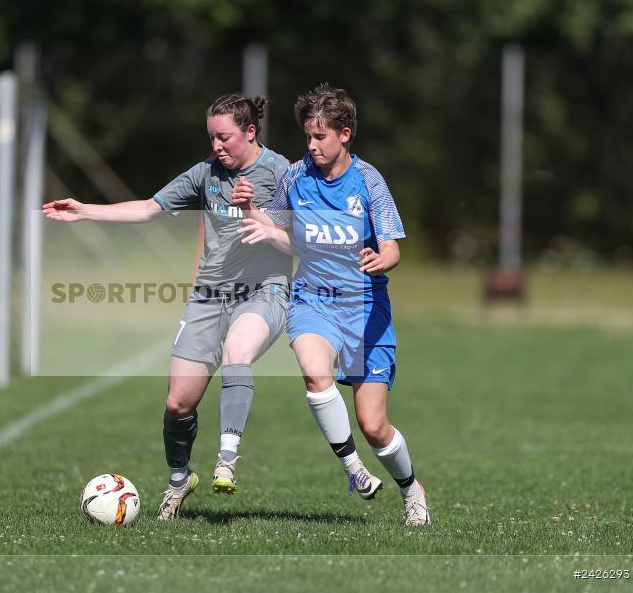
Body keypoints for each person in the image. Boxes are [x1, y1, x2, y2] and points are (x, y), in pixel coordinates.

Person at [44, 94, 330, 520]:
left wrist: (257, 214)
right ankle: (179, 480)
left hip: (263, 291)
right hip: (209, 295)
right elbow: (147, 209)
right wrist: (85, 211)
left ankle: (226, 461)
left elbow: (299, 238)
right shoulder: (205, 174)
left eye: (225, 137)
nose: (217, 146)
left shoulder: (281, 173)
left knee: (238, 352)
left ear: (250, 132)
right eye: (212, 137)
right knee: (178, 403)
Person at [237, 84, 431, 526]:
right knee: (313, 369)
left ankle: (411, 488)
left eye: (320, 137)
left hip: (365, 309)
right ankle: (353, 469)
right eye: (307, 136)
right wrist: (250, 210)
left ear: (345, 134)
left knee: (374, 425)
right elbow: (275, 225)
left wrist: (383, 261)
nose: (311, 146)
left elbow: (393, 248)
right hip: (313, 300)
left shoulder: (368, 181)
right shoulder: (296, 176)